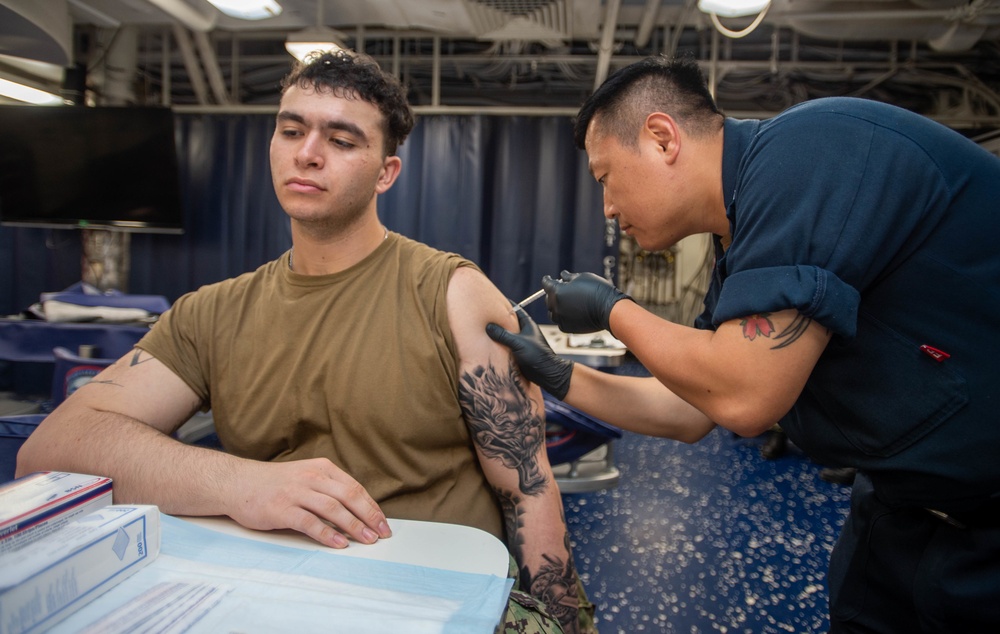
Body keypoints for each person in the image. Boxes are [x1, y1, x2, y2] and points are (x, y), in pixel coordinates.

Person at [17, 50, 594, 634]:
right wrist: (238, 482)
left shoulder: (454, 295)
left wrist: (566, 626)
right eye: (291, 130)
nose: (308, 153)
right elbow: (53, 447)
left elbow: (529, 491)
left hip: (431, 602)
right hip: (267, 600)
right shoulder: (213, 312)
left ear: (385, 172)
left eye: (342, 141)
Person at [488, 54, 1000, 633]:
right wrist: (558, 374)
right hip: (901, 512)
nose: (607, 207)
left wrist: (613, 310)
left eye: (606, 178)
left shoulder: (807, 153)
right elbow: (692, 408)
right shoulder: (741, 235)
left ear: (661, 138)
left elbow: (745, 397)